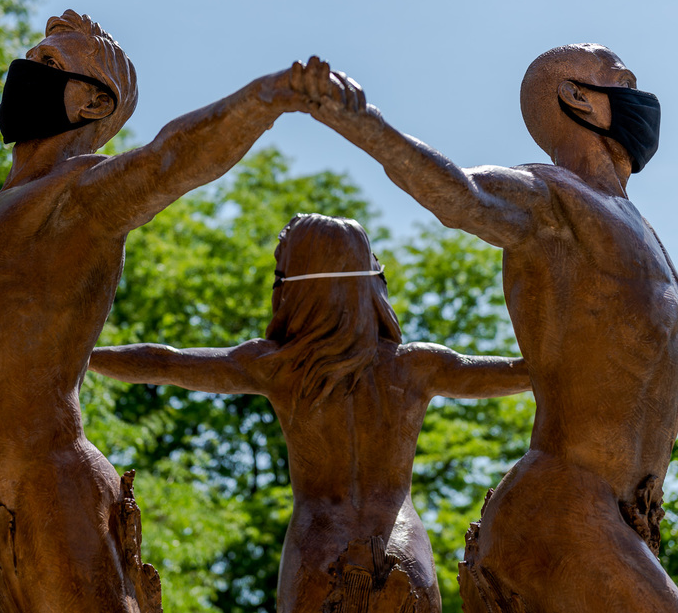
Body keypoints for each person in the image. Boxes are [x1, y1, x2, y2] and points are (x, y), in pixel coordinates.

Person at [0, 10, 328, 612]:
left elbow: (173, 159)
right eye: (31, 58)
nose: (25, 73)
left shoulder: (81, 192)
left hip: (49, 488)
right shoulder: (3, 205)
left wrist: (268, 97)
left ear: (90, 104)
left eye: (50, 65)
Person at [301, 46, 678, 612]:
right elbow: (458, 195)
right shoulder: (549, 196)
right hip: (560, 508)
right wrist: (363, 123)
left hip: (621, 520)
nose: (641, 98)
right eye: (622, 80)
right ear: (577, 96)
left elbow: (631, 317)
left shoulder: (636, 225)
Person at [90, 213, 531, 613]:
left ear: (296, 283)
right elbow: (521, 373)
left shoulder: (279, 367)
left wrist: (78, 355)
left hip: (318, 551)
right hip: (405, 552)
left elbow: (166, 362)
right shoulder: (416, 366)